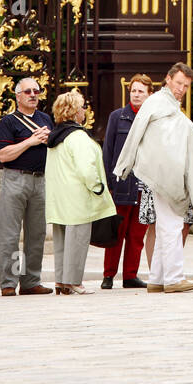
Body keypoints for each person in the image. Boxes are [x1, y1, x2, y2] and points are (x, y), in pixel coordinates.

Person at [113, 61, 193, 293]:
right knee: (172, 225)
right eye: (178, 83)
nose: (181, 89)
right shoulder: (157, 102)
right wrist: (124, 164)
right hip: (162, 175)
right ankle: (174, 277)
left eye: (185, 86)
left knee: (167, 224)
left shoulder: (171, 107)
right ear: (168, 79)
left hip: (166, 174)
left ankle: (157, 278)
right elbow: (136, 131)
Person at [45, 90, 116, 294]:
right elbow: (87, 168)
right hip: (77, 199)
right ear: (75, 111)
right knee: (77, 242)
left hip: (59, 198)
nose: (84, 110)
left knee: (61, 244)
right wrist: (98, 187)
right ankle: (74, 281)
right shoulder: (78, 137)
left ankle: (61, 281)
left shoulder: (55, 137)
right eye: (82, 106)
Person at [0, 78, 54, 296]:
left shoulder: (45, 119)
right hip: (15, 179)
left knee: (37, 233)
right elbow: (3, 155)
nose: (33, 95)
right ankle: (9, 282)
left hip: (40, 180)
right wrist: (30, 141)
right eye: (28, 91)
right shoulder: (8, 122)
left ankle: (31, 281)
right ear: (17, 96)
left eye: (36, 91)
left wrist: (48, 140)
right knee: (10, 235)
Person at [100, 74, 154, 290]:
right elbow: (108, 152)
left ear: (150, 94)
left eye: (141, 91)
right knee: (116, 233)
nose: (137, 94)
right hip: (122, 185)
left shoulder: (152, 118)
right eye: (134, 90)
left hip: (144, 186)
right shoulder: (117, 117)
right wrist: (109, 183)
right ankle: (108, 275)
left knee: (137, 235)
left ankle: (130, 275)